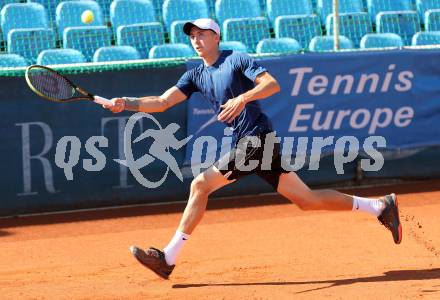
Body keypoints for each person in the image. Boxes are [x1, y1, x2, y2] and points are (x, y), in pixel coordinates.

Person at [103, 18, 402, 280]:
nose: (197, 40)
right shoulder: (195, 75)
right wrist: (126, 103)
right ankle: (380, 206)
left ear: (216, 36)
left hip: (256, 138)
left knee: (200, 185)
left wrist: (242, 99)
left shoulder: (236, 59)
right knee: (306, 199)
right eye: (192, 36)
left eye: (202, 34)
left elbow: (272, 84)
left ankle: (168, 258)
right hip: (253, 141)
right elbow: (163, 101)